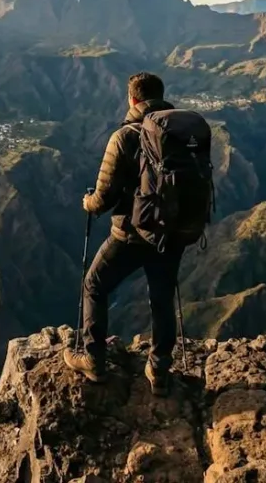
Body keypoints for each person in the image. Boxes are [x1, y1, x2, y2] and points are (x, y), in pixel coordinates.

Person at [63, 71, 185, 395]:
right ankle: (159, 371)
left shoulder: (124, 137)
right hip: (171, 234)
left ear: (132, 99)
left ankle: (93, 360)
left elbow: (103, 199)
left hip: (130, 236)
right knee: (161, 298)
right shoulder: (180, 133)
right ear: (160, 95)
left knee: (94, 286)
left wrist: (86, 202)